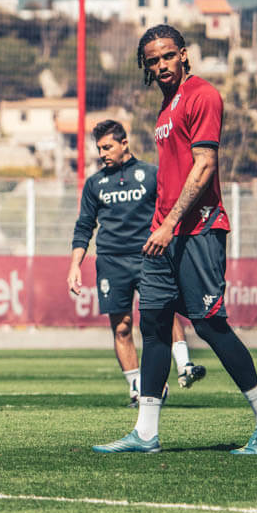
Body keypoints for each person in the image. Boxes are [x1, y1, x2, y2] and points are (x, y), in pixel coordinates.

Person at [93, 24, 257, 454]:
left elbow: (205, 165)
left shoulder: (202, 96)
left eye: (167, 56)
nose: (161, 65)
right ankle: (145, 433)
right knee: (155, 325)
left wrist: (170, 223)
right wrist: (159, 226)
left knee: (210, 324)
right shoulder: (165, 108)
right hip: (164, 235)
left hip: (197, 230)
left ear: (183, 54)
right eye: (152, 60)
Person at [68, 120, 205, 407]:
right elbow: (84, 226)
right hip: (111, 262)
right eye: (99, 149)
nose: (102, 154)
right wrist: (75, 265)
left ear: (124, 143)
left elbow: (170, 213)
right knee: (121, 327)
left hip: (149, 257)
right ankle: (136, 389)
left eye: (107, 147)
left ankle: (185, 365)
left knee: (162, 312)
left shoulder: (151, 174)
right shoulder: (94, 184)